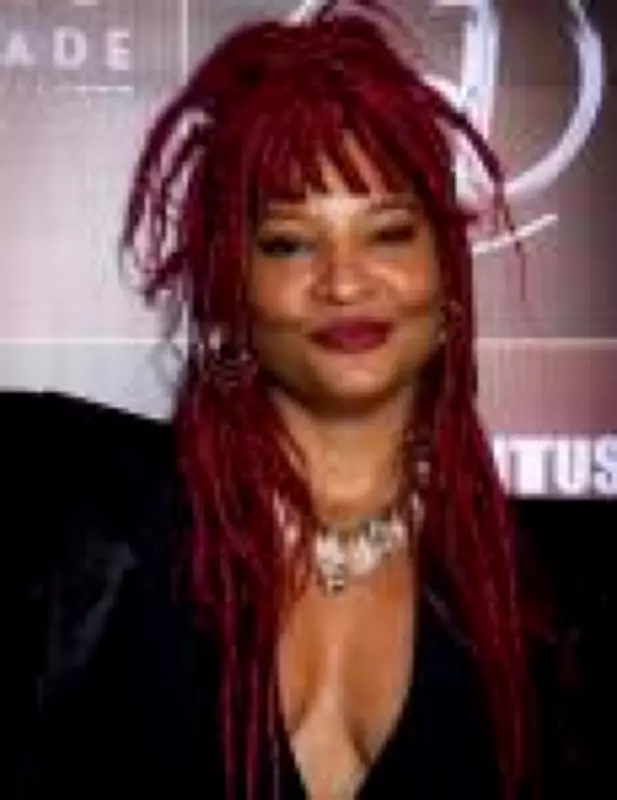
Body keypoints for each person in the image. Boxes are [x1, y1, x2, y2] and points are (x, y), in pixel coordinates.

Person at [7, 1, 577, 798]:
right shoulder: (68, 507)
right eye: (288, 243)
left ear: (447, 274)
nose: (343, 282)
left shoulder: (550, 591)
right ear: (232, 290)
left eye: (388, 232)